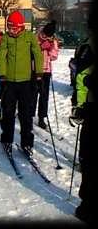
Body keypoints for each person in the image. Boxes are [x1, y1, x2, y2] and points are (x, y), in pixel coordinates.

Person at [0, 11, 43, 155]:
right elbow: (1, 56)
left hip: (26, 82)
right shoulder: (6, 38)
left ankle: (27, 143)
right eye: (10, 28)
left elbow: (37, 54)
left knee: (26, 114)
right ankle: (6, 140)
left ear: (21, 26)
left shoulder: (29, 37)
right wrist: (2, 76)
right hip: (9, 81)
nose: (12, 31)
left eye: (15, 28)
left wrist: (39, 75)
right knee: (8, 113)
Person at [69, 16, 95, 224]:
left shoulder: (88, 47)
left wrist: (78, 106)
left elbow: (81, 78)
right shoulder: (86, 47)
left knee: (88, 157)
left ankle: (87, 206)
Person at [31, 21, 59, 129]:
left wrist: (51, 48)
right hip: (35, 70)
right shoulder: (36, 37)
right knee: (33, 94)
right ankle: (29, 114)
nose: (47, 36)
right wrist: (41, 47)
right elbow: (31, 52)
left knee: (44, 96)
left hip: (46, 71)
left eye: (50, 35)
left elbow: (54, 57)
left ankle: (42, 117)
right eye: (46, 34)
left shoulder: (53, 40)